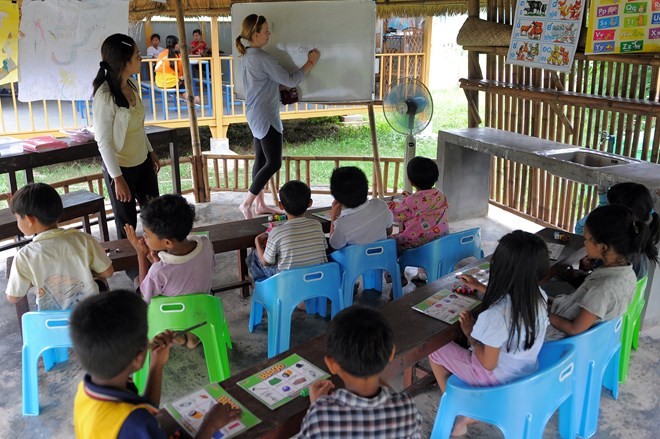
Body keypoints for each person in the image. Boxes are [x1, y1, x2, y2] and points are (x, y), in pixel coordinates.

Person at [71, 290, 241, 438]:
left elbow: (144, 408)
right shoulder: (135, 423)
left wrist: (156, 364)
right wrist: (210, 425)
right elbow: (139, 418)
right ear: (138, 358)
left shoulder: (86, 391)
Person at [429, 231, 550, 437]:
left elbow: (487, 363)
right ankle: (469, 407)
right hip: (525, 370)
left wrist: (470, 335)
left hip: (496, 378)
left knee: (435, 349)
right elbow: (514, 295)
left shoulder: (496, 315)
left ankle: (458, 407)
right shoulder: (539, 296)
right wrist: (479, 287)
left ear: (500, 269)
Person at [235, 14, 320, 219]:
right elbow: (290, 80)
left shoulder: (247, 55)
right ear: (255, 34)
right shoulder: (263, 58)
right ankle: (247, 204)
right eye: (265, 31)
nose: (269, 34)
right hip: (265, 115)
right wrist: (311, 61)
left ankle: (259, 204)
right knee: (273, 162)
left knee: (261, 158)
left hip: (255, 112)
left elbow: (266, 82)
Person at [296, 306, 422, 438]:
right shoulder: (406, 409)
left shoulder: (320, 418)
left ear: (332, 365)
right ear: (391, 354)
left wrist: (317, 405)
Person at [93, 34, 160, 248]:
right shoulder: (105, 96)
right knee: (127, 222)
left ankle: (157, 255)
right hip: (121, 169)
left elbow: (138, 126)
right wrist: (118, 178)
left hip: (142, 161)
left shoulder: (132, 84)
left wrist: (150, 151)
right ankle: (135, 271)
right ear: (124, 61)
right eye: (137, 55)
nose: (141, 59)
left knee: (155, 214)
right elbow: (103, 142)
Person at [124, 194, 214, 349]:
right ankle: (193, 336)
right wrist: (156, 260)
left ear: (167, 242)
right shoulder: (206, 243)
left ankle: (175, 333)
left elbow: (144, 295)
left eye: (147, 235)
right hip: (202, 309)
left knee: (139, 283)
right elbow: (184, 268)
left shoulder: (159, 271)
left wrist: (141, 254)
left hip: (172, 316)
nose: (144, 238)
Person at [5, 183, 113, 310]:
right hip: (89, 316)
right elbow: (108, 272)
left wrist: (32, 279)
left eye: (17, 218)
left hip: (53, 324)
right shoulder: (84, 239)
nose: (17, 222)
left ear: (29, 219)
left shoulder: (25, 256)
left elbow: (13, 297)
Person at [546, 204, 643, 340]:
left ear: (603, 247)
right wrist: (545, 301)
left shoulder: (602, 289)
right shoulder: (627, 273)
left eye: (586, 239)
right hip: (581, 330)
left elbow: (574, 329)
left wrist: (543, 313)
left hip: (558, 340)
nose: (584, 243)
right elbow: (582, 307)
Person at [248, 180, 327, 281]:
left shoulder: (277, 232)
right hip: (317, 279)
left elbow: (265, 262)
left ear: (280, 205)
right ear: (310, 203)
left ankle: (264, 289)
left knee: (255, 255)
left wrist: (257, 241)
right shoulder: (317, 225)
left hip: (289, 284)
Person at [388, 156, 449, 252]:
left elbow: (393, 213)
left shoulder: (410, 202)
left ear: (410, 181)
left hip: (418, 244)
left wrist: (386, 204)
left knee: (388, 241)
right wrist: (410, 198)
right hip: (440, 239)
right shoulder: (440, 194)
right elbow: (423, 203)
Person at [329, 166, 393, 250]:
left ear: (337, 198)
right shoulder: (381, 205)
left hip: (355, 263)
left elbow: (334, 245)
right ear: (366, 187)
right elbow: (389, 231)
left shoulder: (342, 225)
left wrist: (334, 217)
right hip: (383, 260)